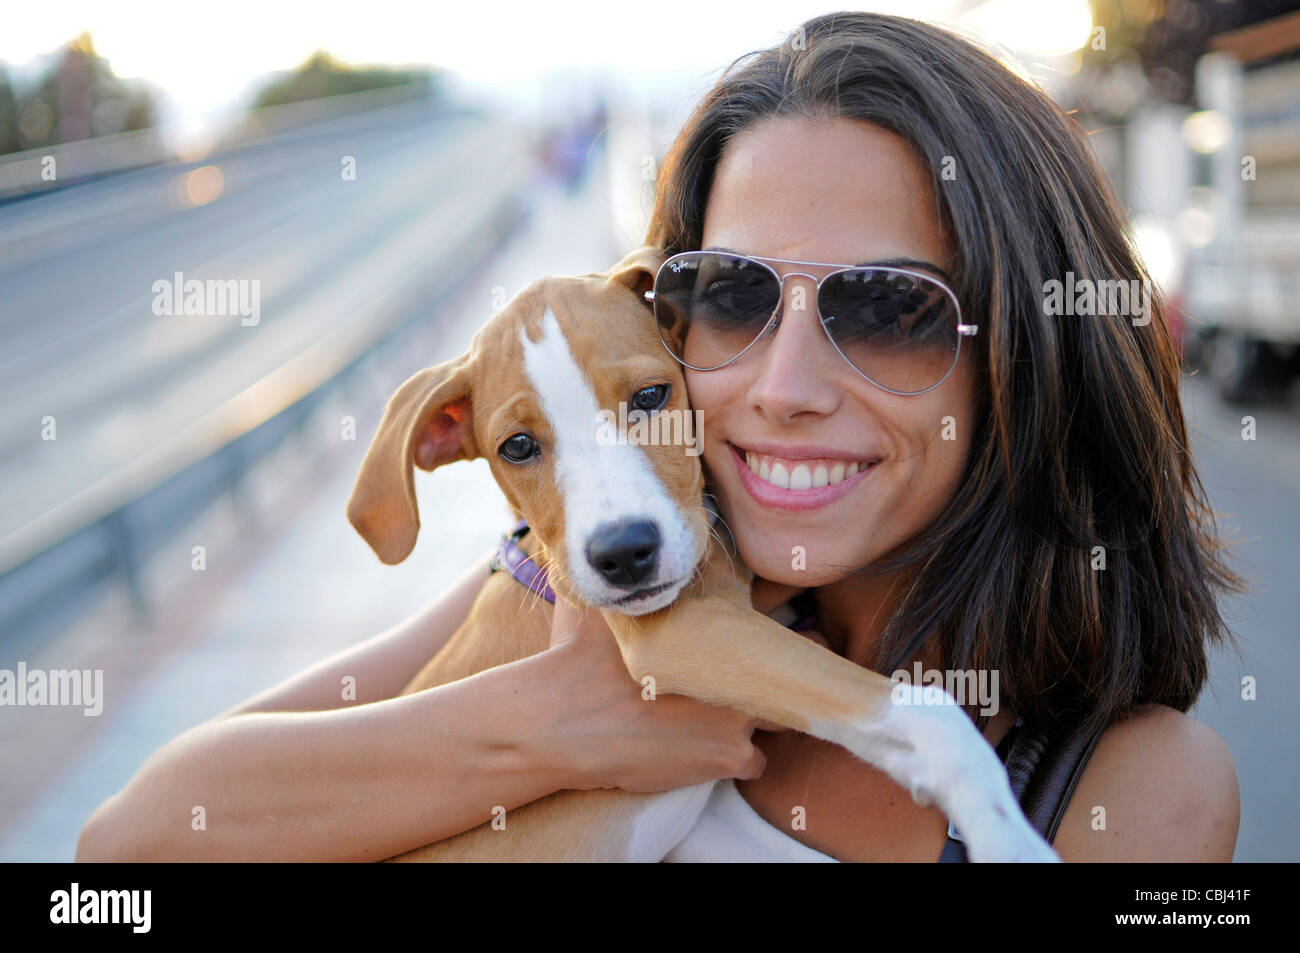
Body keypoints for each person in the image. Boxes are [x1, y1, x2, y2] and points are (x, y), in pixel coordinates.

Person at [77, 12, 1243, 863]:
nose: (783, 387)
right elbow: (124, 850)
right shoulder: (570, 600)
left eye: (888, 309)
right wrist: (540, 728)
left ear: (1031, 358)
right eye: (732, 295)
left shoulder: (1119, 794)